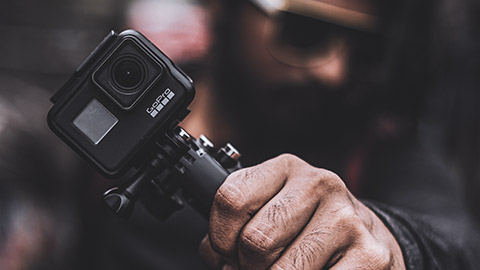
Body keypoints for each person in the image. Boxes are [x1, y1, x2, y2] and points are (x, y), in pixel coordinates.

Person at [176, 0, 480, 268]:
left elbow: (457, 241)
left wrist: (388, 240)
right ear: (220, 5)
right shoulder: (133, 118)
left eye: (361, 46)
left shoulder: (375, 147)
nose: (334, 72)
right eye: (304, 31)